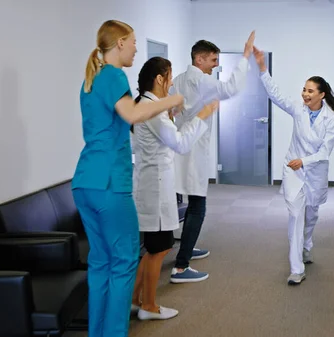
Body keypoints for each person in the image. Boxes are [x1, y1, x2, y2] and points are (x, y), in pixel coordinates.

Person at [71, 20, 184, 337]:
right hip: (109, 183)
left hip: (85, 182)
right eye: (133, 41)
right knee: (123, 263)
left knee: (101, 264)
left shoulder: (90, 80)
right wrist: (172, 100)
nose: (136, 47)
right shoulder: (112, 75)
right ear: (119, 43)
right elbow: (132, 114)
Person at [252, 46, 334, 285]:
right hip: (293, 171)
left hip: (314, 170)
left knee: (311, 215)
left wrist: (304, 160)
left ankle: (307, 245)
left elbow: (325, 152)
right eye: (304, 89)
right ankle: (296, 269)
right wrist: (263, 68)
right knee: (295, 216)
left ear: (321, 95)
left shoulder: (331, 118)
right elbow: (276, 95)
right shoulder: (298, 108)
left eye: (310, 91)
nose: (304, 94)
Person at [129, 57, 218, 319]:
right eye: (169, 77)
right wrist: (201, 116)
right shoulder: (152, 108)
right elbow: (180, 143)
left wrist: (172, 115)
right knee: (159, 248)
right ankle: (149, 306)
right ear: (160, 79)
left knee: (156, 248)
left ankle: (136, 299)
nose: (171, 84)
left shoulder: (149, 105)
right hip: (154, 188)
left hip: (152, 184)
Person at [169, 31, 256, 283]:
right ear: (199, 59)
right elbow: (230, 88)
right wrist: (246, 56)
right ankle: (181, 266)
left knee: (191, 199)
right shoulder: (201, 81)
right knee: (198, 205)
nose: (216, 64)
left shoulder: (179, 79)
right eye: (213, 60)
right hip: (194, 149)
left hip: (184, 147)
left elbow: (173, 108)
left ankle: (187, 246)